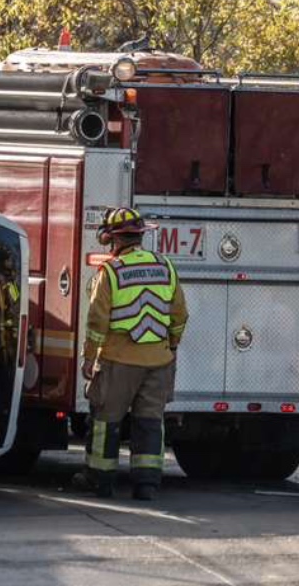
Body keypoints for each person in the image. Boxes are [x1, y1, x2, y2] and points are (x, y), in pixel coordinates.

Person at [71, 207, 188, 501]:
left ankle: (100, 479)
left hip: (118, 361)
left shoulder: (110, 271)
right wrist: (171, 346)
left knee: (105, 420)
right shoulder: (166, 267)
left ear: (111, 238)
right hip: (159, 361)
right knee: (150, 422)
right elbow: (180, 315)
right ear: (140, 236)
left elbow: (97, 320)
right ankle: (146, 484)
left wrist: (89, 358)